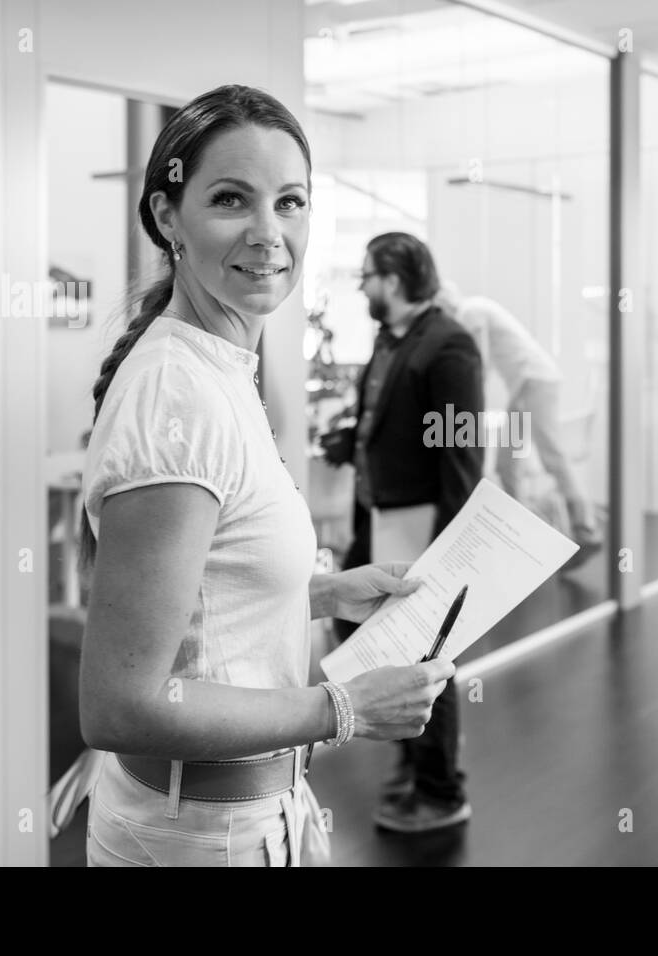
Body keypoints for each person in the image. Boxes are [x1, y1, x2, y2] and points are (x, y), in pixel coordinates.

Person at [76, 85, 454, 867]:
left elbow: (195, 610)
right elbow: (119, 704)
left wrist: (317, 592)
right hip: (200, 839)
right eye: (229, 199)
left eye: (290, 202)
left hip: (243, 817)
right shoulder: (177, 393)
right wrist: (341, 708)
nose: (268, 233)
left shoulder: (219, 368)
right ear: (165, 217)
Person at [320, 233, 483, 832]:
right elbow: (380, 421)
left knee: (425, 657)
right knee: (356, 629)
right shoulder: (392, 341)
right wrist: (348, 442)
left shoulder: (449, 345)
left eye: (367, 275)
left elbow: (463, 454)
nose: (361, 286)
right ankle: (415, 755)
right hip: (378, 522)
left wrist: (449, 550)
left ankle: (441, 790)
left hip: (419, 531)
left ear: (394, 278)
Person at [433, 281, 603, 567]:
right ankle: (520, 537)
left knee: (548, 457)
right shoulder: (476, 308)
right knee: (507, 465)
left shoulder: (469, 312)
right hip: (527, 383)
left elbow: (478, 365)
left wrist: (468, 405)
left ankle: (585, 528)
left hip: (532, 382)